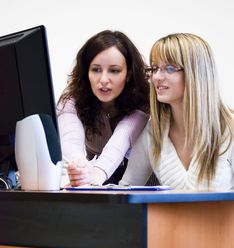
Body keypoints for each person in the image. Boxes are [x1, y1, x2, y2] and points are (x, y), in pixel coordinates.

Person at [120, 33, 234, 190]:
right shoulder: (153, 131)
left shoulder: (230, 129)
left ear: (197, 73)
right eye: (154, 68)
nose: (157, 77)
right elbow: (126, 190)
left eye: (170, 68)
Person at [57, 30, 150, 187]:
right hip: (96, 177)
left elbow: (122, 138)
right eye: (96, 69)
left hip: (141, 182)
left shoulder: (141, 96)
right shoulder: (72, 96)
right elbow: (70, 139)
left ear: (128, 74)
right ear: (86, 72)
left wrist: (95, 176)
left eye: (114, 70)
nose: (103, 79)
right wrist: (80, 169)